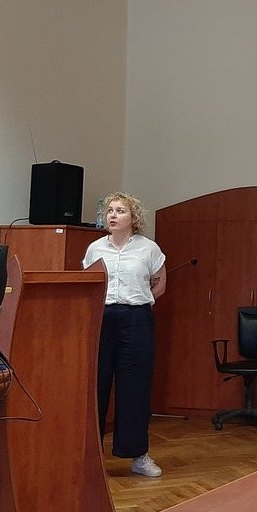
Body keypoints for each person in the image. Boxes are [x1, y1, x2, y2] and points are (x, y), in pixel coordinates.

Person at [83, 192, 166, 478]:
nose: (113, 215)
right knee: (97, 384)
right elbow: (88, 284)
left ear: (134, 217)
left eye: (120, 210)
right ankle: (90, 457)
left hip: (136, 320)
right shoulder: (95, 249)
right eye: (110, 211)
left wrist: (140, 301)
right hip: (102, 318)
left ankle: (138, 455)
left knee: (135, 386)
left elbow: (159, 285)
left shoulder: (149, 248)